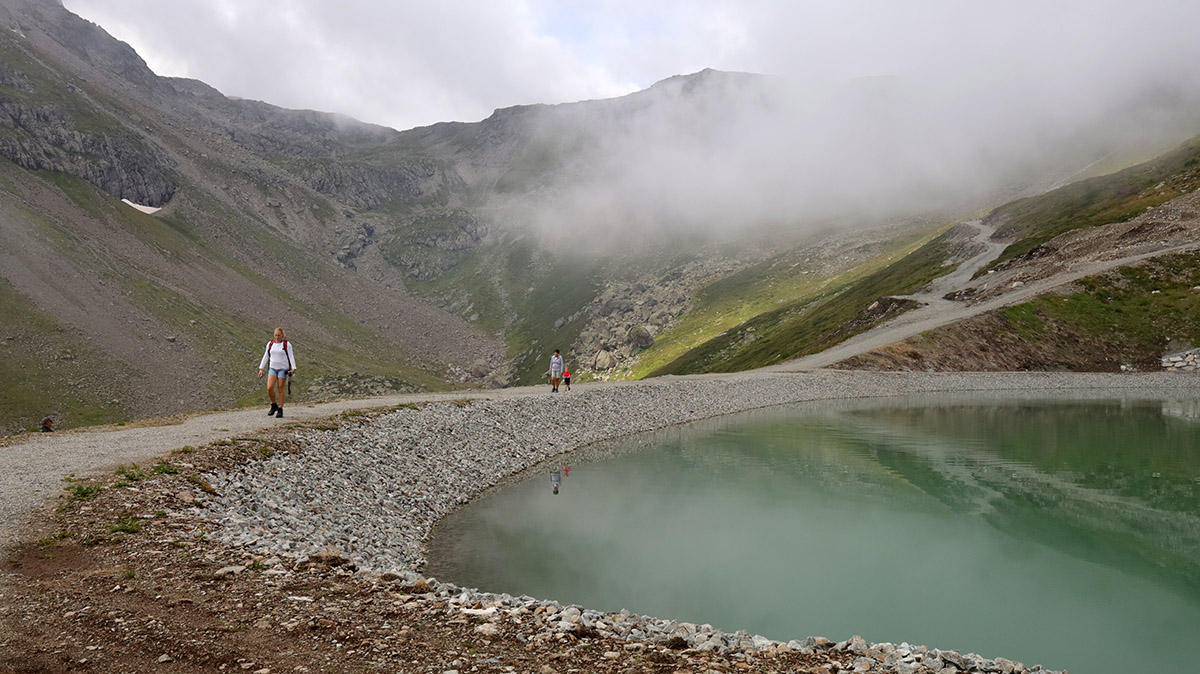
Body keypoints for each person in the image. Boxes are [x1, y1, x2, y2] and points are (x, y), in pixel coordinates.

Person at [257, 327, 296, 418]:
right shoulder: (270, 344)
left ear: (282, 335)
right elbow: (266, 355)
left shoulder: (287, 344)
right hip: (272, 368)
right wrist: (261, 368)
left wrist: (294, 368)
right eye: (275, 335)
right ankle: (274, 404)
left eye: (279, 335)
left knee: (280, 388)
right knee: (269, 387)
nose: (277, 337)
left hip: (283, 369)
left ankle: (280, 409)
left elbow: (291, 356)